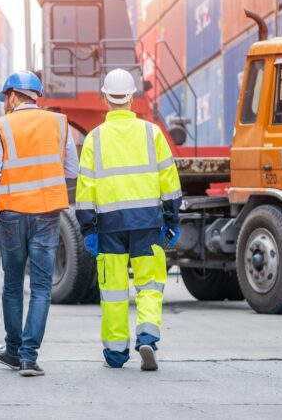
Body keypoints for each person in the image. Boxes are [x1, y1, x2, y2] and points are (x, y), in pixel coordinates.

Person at [75, 68, 182, 372]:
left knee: (113, 291)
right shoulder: (153, 133)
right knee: (149, 284)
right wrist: (173, 219)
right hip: (148, 224)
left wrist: (88, 227)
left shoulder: (95, 138)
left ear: (105, 98)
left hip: (108, 228)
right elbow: (169, 181)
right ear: (132, 98)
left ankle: (115, 352)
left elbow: (86, 188)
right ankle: (147, 334)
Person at [0, 71, 79, 377]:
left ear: (12, 95)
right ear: (36, 96)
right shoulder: (60, 124)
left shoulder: (1, 126)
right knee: (40, 287)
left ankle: (12, 351)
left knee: (12, 284)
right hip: (48, 212)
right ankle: (28, 356)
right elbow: (72, 169)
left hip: (12, 212)